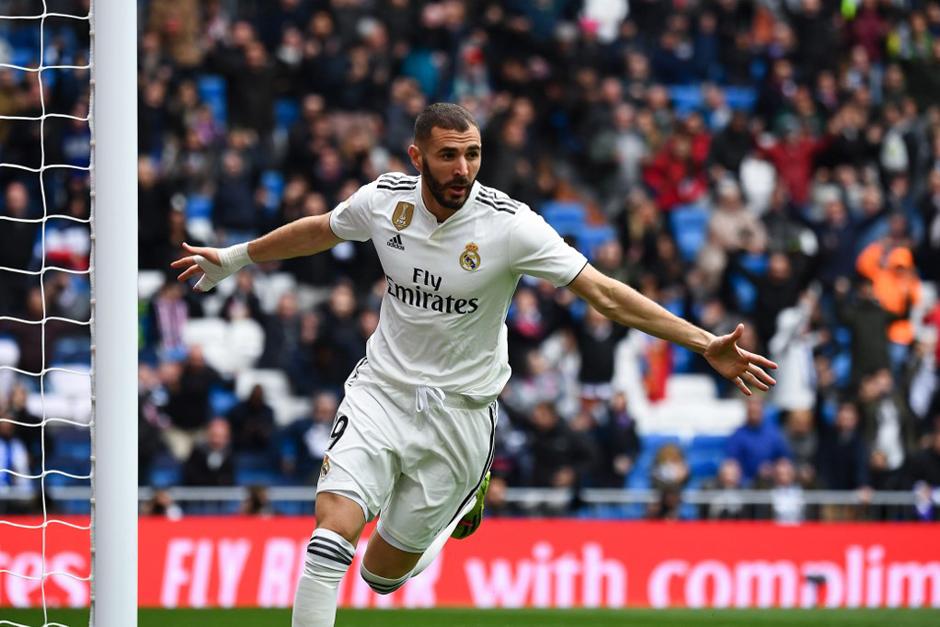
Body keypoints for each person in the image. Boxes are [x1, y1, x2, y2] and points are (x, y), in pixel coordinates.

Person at [172, 103, 777, 627]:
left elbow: (605, 293)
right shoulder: (384, 202)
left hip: (459, 416)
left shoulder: (510, 226)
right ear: (417, 157)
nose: (462, 168)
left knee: (380, 576)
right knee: (328, 538)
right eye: (448, 156)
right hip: (381, 391)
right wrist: (235, 257)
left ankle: (459, 506)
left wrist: (704, 343)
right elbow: (321, 231)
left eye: (473, 155)